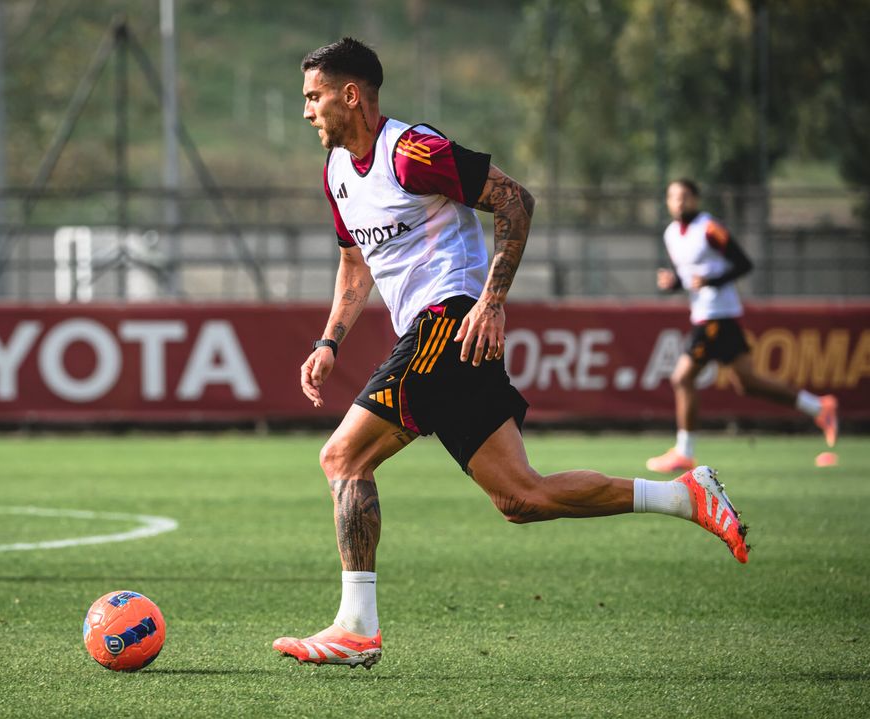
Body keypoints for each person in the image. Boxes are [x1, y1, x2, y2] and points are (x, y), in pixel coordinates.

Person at [273, 38, 749, 670]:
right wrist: (330, 341)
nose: (306, 110)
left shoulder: (412, 151)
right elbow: (355, 265)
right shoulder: (336, 172)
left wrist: (491, 299)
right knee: (522, 498)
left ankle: (357, 628)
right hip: (446, 337)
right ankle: (686, 495)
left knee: (343, 456)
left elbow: (514, 199)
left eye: (314, 96)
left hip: (449, 321)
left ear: (350, 95)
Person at [645, 179, 839, 473]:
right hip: (706, 314)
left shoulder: (709, 229)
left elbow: (744, 264)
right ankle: (819, 407)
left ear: (696, 199)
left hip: (717, 315)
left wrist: (711, 282)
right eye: (673, 197)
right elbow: (690, 277)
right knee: (747, 382)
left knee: (682, 378)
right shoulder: (671, 234)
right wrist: (673, 283)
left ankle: (684, 452)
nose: (679, 202)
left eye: (685, 196)